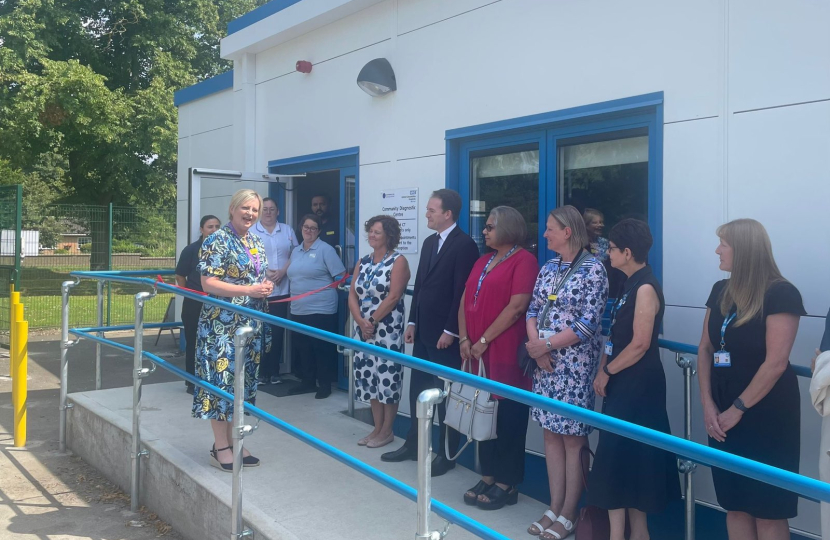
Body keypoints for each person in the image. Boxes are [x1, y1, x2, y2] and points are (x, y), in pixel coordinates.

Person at [697, 218, 804, 540]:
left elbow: (776, 362)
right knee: (735, 503)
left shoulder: (781, 293)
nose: (717, 251)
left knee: (768, 508)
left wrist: (737, 409)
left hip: (766, 414)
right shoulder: (720, 290)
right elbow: (705, 348)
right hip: (720, 412)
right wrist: (708, 404)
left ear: (744, 250)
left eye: (724, 245)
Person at [588, 219, 680, 540]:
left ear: (627, 252)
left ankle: (638, 534)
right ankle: (618, 535)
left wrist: (607, 371)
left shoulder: (645, 288)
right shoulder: (628, 284)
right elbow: (614, 336)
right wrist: (605, 364)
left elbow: (640, 343)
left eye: (611, 249)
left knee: (633, 461)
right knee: (616, 460)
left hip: (638, 388)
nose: (607, 254)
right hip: (621, 384)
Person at [381, 188, 479, 477]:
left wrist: (451, 330)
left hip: (445, 336)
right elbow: (421, 287)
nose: (427, 214)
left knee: (446, 397)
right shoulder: (428, 243)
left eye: (431, 210)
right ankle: (414, 444)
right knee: (419, 391)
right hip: (423, 332)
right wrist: (412, 322)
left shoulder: (464, 246)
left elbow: (461, 292)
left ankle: (446, 453)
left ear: (447, 213)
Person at [525, 205, 608, 540]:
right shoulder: (548, 267)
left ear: (568, 232)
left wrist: (546, 347)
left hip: (573, 365)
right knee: (549, 433)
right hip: (544, 362)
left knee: (573, 437)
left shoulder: (594, 270)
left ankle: (570, 512)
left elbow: (589, 324)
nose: (544, 234)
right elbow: (532, 309)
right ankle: (554, 505)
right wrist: (535, 345)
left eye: (550, 229)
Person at [457, 206, 538, 510]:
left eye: (490, 227)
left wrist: (483, 340)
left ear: (507, 228)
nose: (485, 231)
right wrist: (465, 339)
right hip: (476, 354)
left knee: (508, 418)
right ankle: (488, 475)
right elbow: (465, 298)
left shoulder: (524, 261)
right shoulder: (482, 260)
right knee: (482, 413)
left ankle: (507, 482)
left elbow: (517, 307)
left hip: (503, 353)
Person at [192, 189, 273, 471]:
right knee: (221, 384)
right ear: (232, 209)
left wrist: (264, 286)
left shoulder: (254, 241)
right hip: (221, 326)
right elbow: (208, 283)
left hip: (247, 325)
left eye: (255, 209)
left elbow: (257, 275)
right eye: (245, 208)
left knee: (240, 385)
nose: (250, 214)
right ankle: (221, 446)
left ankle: (234, 440)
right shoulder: (218, 239)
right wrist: (249, 289)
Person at [348, 215, 410, 448]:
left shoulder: (398, 261)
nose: (372, 236)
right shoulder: (363, 261)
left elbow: (394, 296)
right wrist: (360, 321)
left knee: (387, 378)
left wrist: (371, 321)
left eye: (377, 232)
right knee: (370, 379)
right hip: (363, 329)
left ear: (389, 236)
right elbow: (353, 294)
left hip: (386, 330)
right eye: (370, 231)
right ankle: (376, 428)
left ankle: (387, 431)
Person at [286, 213, 346, 399]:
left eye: (313, 228)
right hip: (298, 308)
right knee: (303, 347)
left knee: (321, 348)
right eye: (306, 227)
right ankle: (308, 382)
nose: (309, 231)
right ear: (301, 229)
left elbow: (341, 276)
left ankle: (325, 385)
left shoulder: (325, 250)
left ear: (319, 231)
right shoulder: (295, 251)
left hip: (321, 309)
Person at [250, 197, 298, 385]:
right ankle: (260, 372)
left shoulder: (286, 230)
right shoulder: (252, 231)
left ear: (278, 212)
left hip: (282, 289)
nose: (268, 212)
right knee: (259, 332)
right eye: (265, 209)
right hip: (260, 289)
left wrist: (283, 271)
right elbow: (248, 255)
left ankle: (274, 371)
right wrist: (266, 272)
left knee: (277, 333)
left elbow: (296, 252)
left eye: (272, 209)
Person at [175, 214, 221, 394]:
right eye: (210, 226)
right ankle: (192, 381)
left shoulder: (223, 250)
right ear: (201, 230)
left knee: (214, 342)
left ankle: (212, 380)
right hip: (194, 303)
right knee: (194, 341)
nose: (214, 230)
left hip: (217, 303)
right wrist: (190, 293)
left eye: (217, 226)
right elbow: (180, 276)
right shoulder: (191, 250)